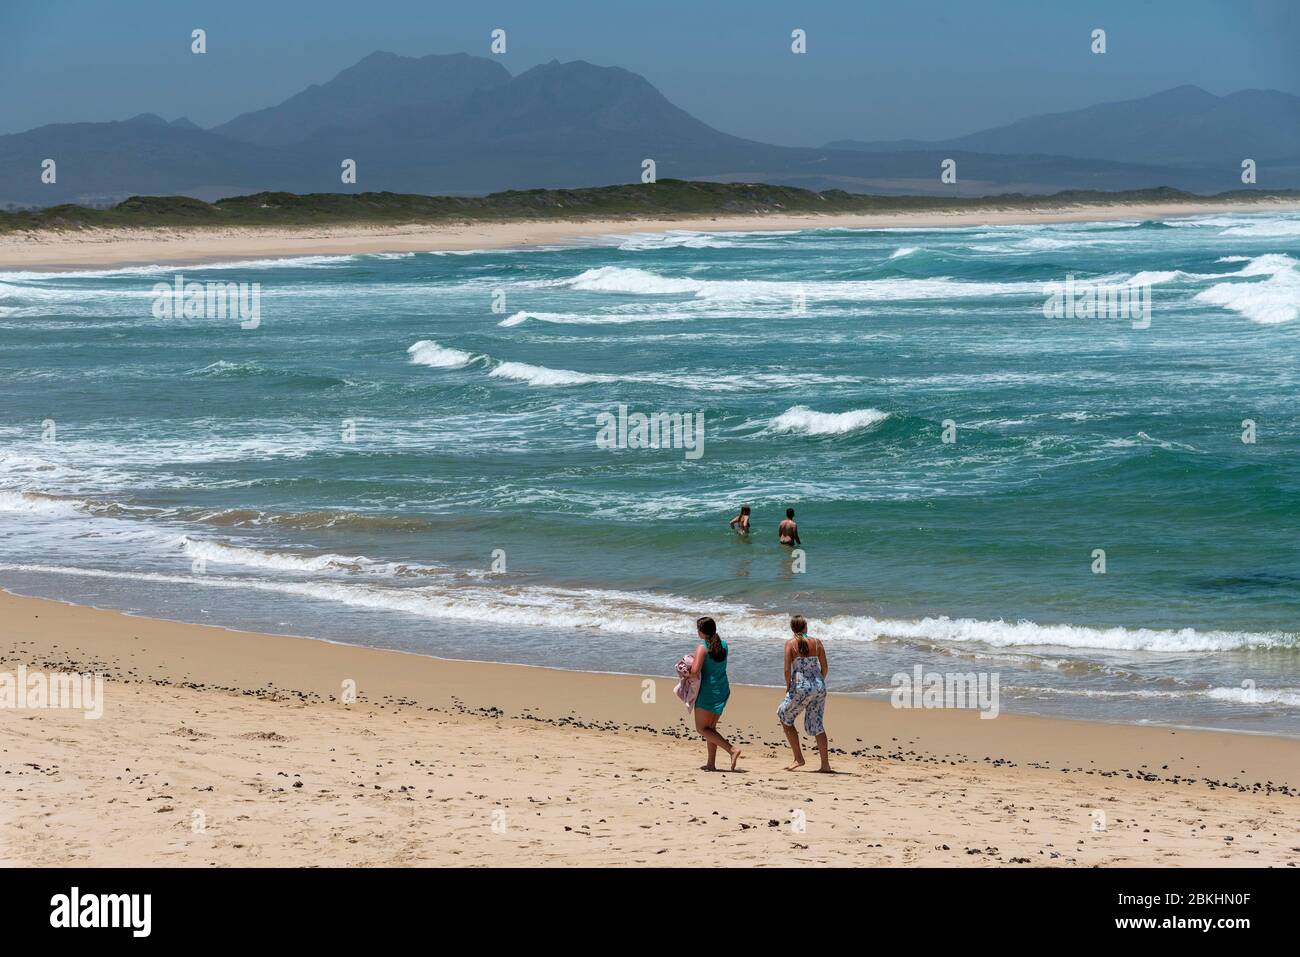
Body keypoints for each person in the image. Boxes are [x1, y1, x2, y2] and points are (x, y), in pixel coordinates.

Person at [777, 615, 830, 772]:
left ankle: (798, 758)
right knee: (818, 725)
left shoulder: (790, 644)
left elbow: (787, 670)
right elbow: (825, 667)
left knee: (784, 715)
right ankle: (825, 765)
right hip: (819, 686)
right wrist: (818, 681)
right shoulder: (817, 642)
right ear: (805, 627)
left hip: (801, 686)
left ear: (793, 629)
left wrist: (789, 686)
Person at [688, 616, 741, 771]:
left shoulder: (702, 647)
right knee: (710, 728)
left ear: (701, 632)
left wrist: (685, 672)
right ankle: (711, 764)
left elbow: (695, 671)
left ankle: (732, 750)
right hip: (722, 688)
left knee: (702, 729)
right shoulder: (723, 645)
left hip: (707, 691)